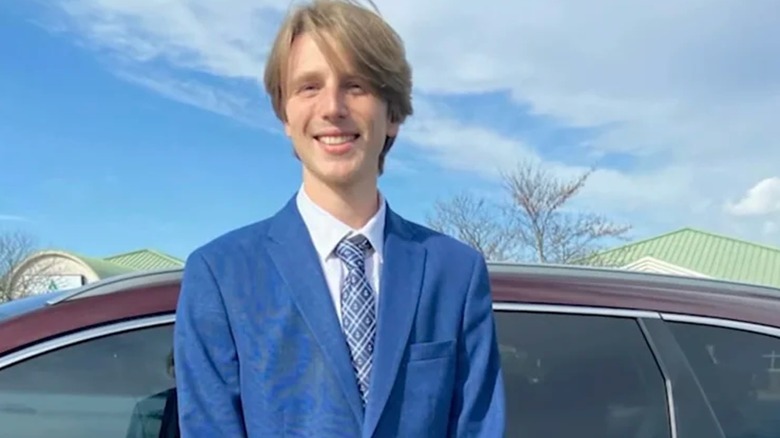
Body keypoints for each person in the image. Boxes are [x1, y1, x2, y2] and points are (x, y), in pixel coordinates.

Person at [173, 0, 505, 436]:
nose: (333, 107)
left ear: (393, 116)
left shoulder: (455, 274)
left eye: (356, 85)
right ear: (285, 115)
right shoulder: (219, 276)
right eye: (309, 86)